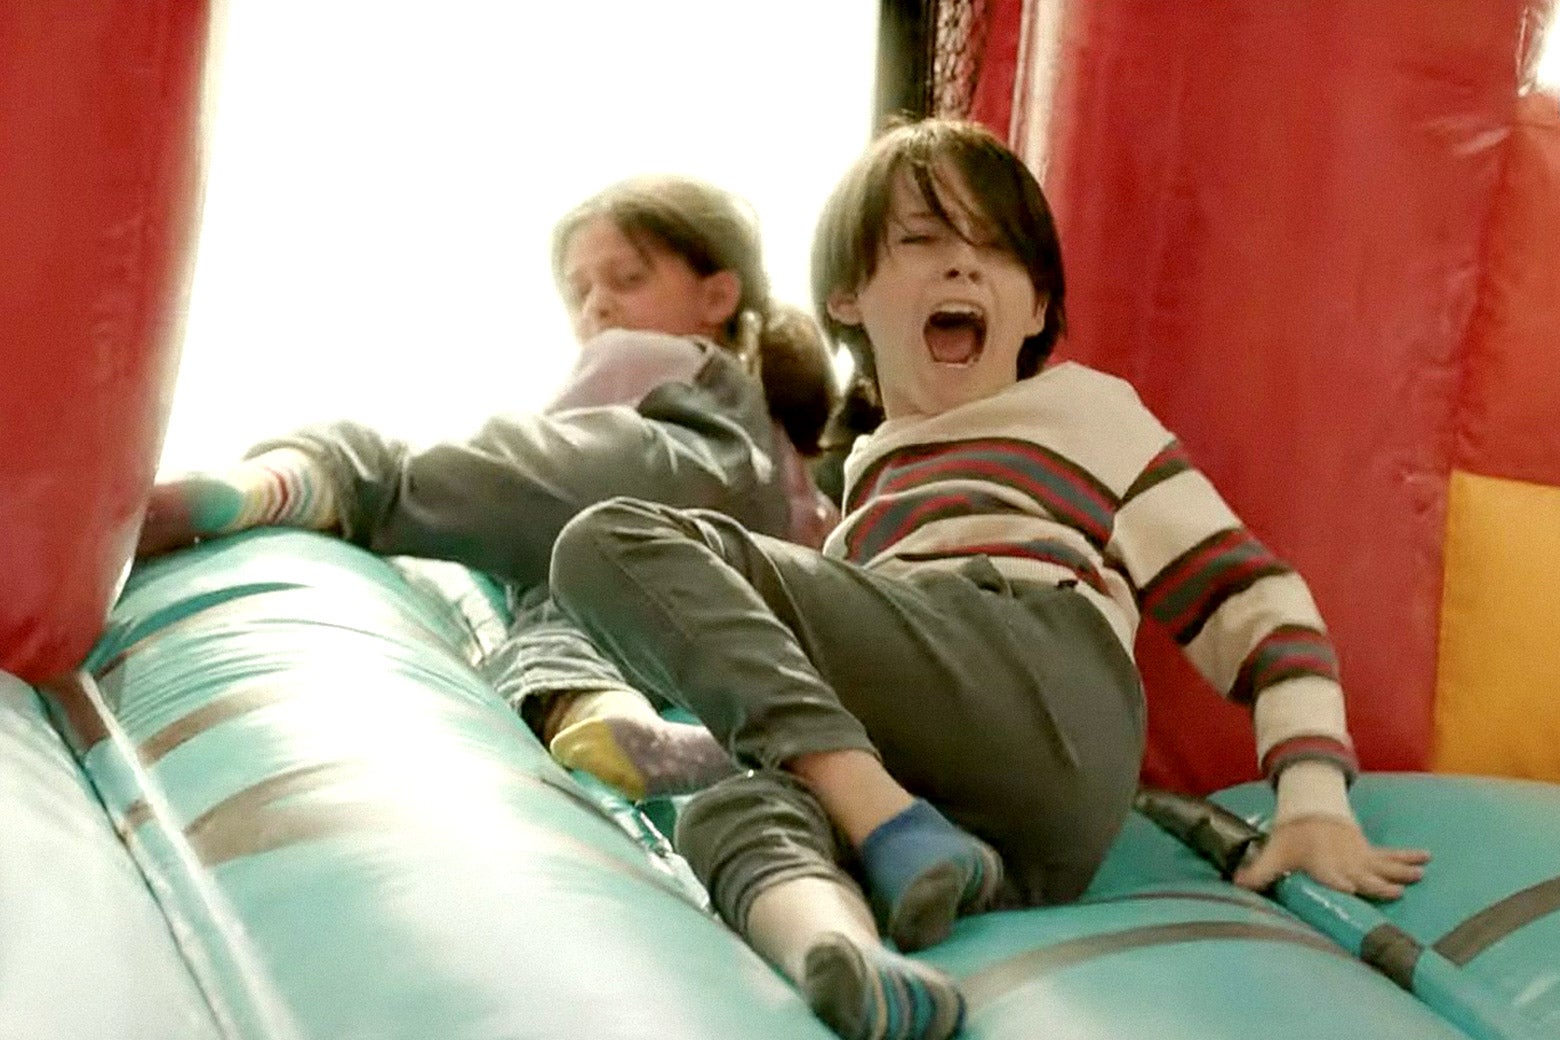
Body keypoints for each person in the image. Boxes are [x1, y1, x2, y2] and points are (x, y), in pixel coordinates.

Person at [546, 119, 1432, 1040]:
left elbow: (1251, 601)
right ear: (848, 295)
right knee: (741, 807)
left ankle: (877, 818)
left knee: (608, 538)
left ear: (1040, 309)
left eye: (997, 252)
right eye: (923, 242)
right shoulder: (865, 500)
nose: (964, 269)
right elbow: (828, 688)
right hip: (1009, 834)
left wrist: (1314, 796)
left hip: (1044, 669)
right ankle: (834, 946)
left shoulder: (1083, 414)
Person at [137, 174, 838, 799]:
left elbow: (543, 466)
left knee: (396, 475)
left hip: (667, 468)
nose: (598, 306)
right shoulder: (788, 444)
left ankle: (286, 482)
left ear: (717, 295)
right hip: (724, 574)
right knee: (565, 617)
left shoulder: (657, 359)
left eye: (626, 280)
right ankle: (605, 719)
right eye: (580, 290)